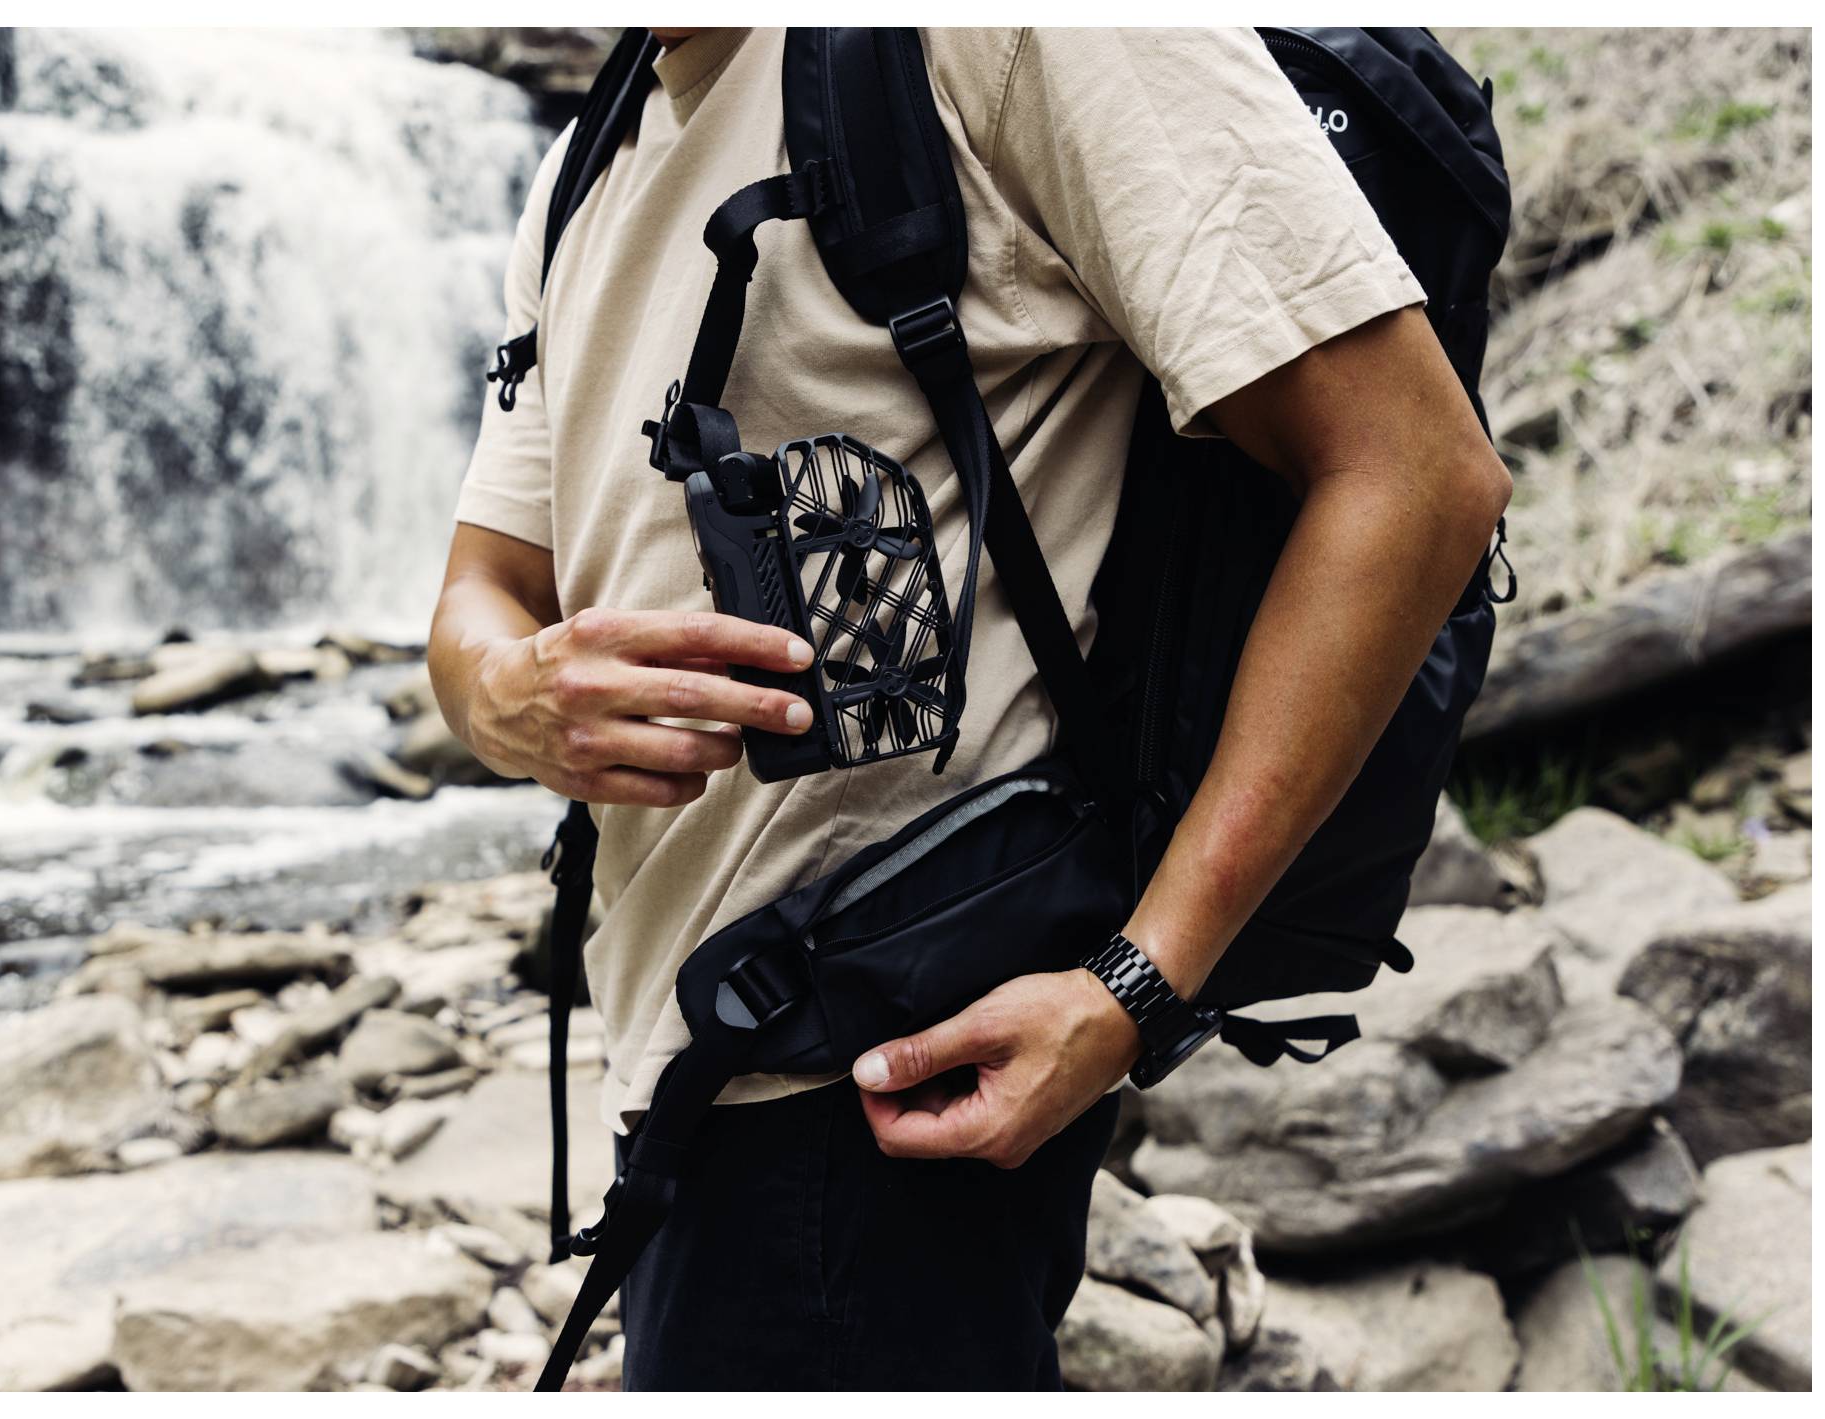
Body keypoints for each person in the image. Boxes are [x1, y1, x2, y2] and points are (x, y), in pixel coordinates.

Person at [428, 27, 1510, 1391]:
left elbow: (1417, 474)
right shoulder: (588, 155)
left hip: (890, 1065)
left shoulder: (1008, 37)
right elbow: (485, 583)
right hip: (684, 1063)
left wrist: (1136, 984)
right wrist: (501, 692)